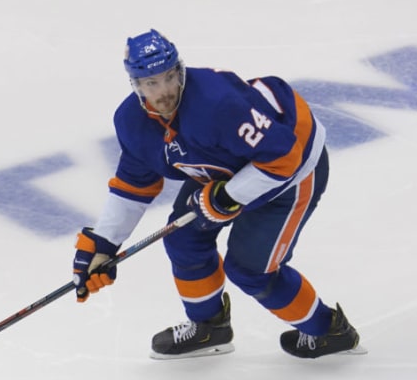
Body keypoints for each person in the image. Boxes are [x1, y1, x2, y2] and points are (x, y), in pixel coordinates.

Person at [72, 29, 364, 360]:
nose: (165, 91)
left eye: (170, 77)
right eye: (152, 83)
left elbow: (283, 156)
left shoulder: (217, 103)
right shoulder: (131, 121)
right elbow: (134, 184)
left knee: (250, 270)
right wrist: (103, 244)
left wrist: (229, 196)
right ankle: (209, 328)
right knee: (183, 239)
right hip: (225, 165)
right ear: (136, 85)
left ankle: (330, 332)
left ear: (179, 70)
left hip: (292, 169)